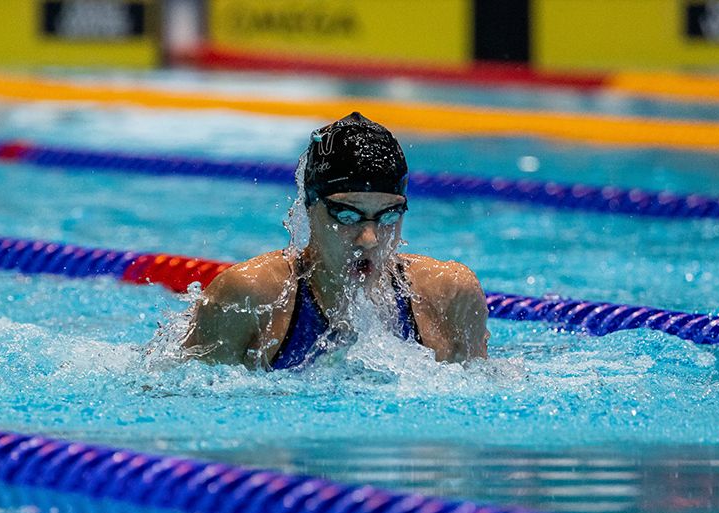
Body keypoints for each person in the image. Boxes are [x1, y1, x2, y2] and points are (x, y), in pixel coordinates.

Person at [182, 112, 489, 369]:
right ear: (309, 207)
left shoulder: (449, 296)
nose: (369, 239)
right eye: (347, 216)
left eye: (388, 217)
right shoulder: (249, 298)